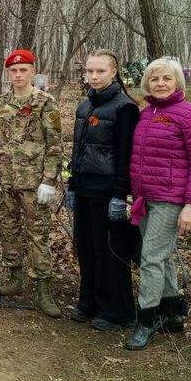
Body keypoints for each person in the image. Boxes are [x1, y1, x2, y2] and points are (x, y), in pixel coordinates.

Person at [125, 57, 191, 351]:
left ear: (178, 82)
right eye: (155, 79)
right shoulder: (147, 113)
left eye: (167, 79)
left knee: (150, 257)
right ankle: (173, 315)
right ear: (147, 83)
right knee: (161, 257)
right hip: (146, 198)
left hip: (171, 199)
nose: (160, 84)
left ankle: (146, 320)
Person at [0, 49, 63, 318]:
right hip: (5, 180)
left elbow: (55, 145)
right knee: (9, 230)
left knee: (38, 234)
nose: (17, 75)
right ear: (8, 73)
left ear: (31, 71)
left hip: (33, 182)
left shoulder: (45, 103)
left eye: (23, 70)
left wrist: (49, 180)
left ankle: (43, 287)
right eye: (13, 71)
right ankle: (16, 276)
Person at [66, 50, 140, 331]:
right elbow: (78, 150)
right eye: (90, 71)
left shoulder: (125, 107)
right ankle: (89, 301)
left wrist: (120, 195)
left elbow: (125, 155)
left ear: (114, 71)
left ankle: (116, 310)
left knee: (109, 250)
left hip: (107, 191)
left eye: (100, 71)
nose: (94, 76)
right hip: (84, 187)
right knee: (86, 248)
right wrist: (72, 184)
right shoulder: (84, 107)